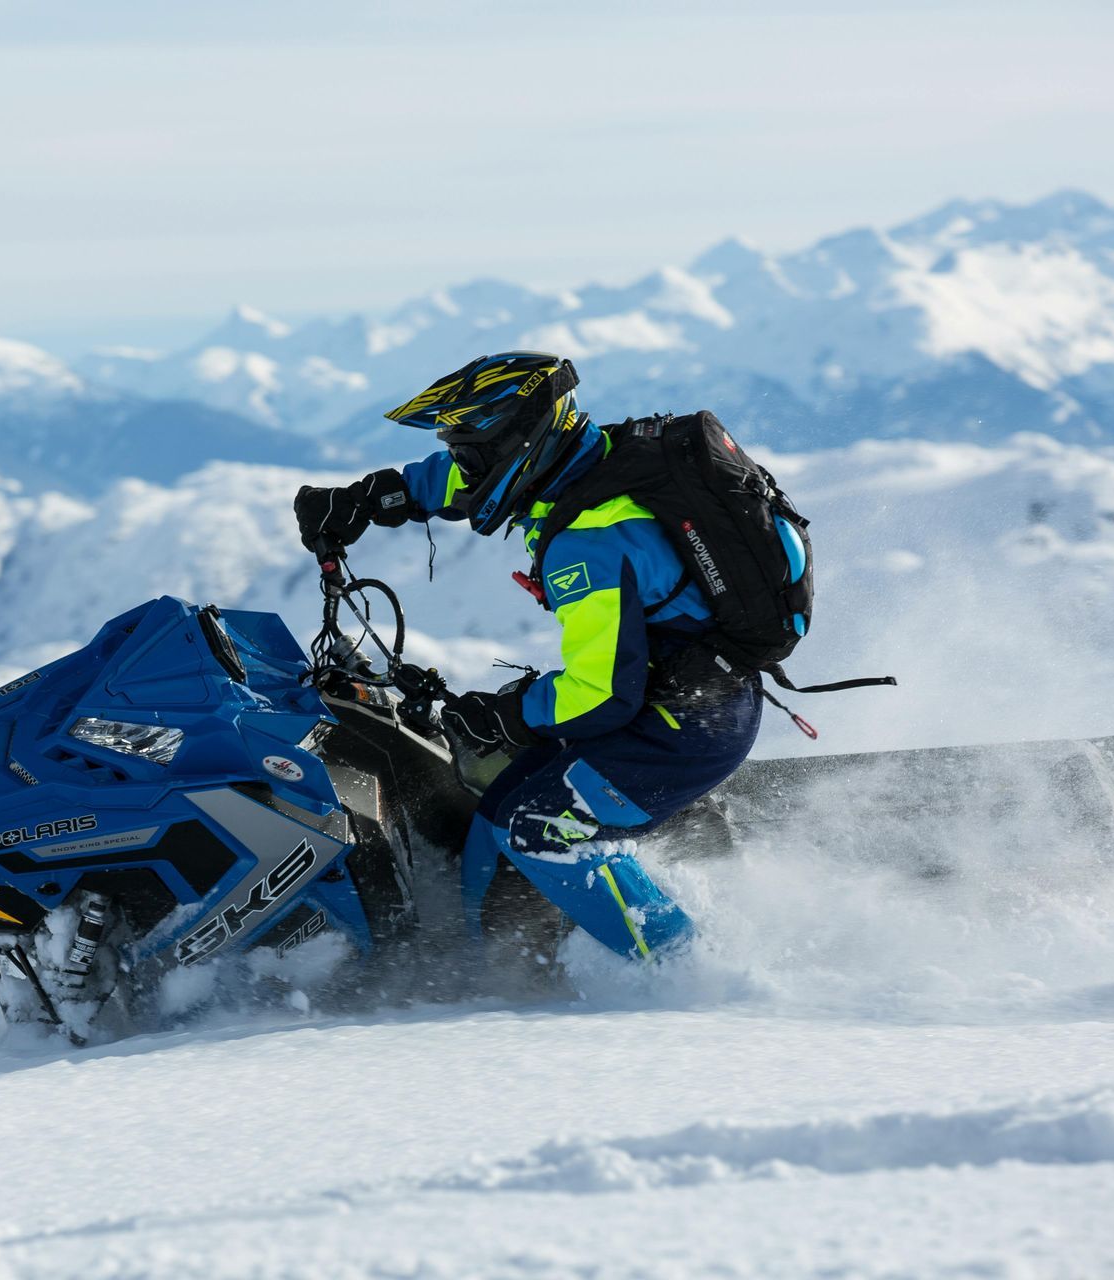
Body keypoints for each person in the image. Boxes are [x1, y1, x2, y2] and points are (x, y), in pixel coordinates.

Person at [293, 351, 762, 961]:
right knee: (498, 811)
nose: (463, 466)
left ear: (519, 442)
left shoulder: (589, 543)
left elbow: (599, 695)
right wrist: (374, 498)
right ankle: (502, 979)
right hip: (672, 694)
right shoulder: (586, 464)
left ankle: (684, 973)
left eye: (469, 451)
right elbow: (469, 479)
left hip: (685, 723)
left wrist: (510, 715)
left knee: (537, 828)